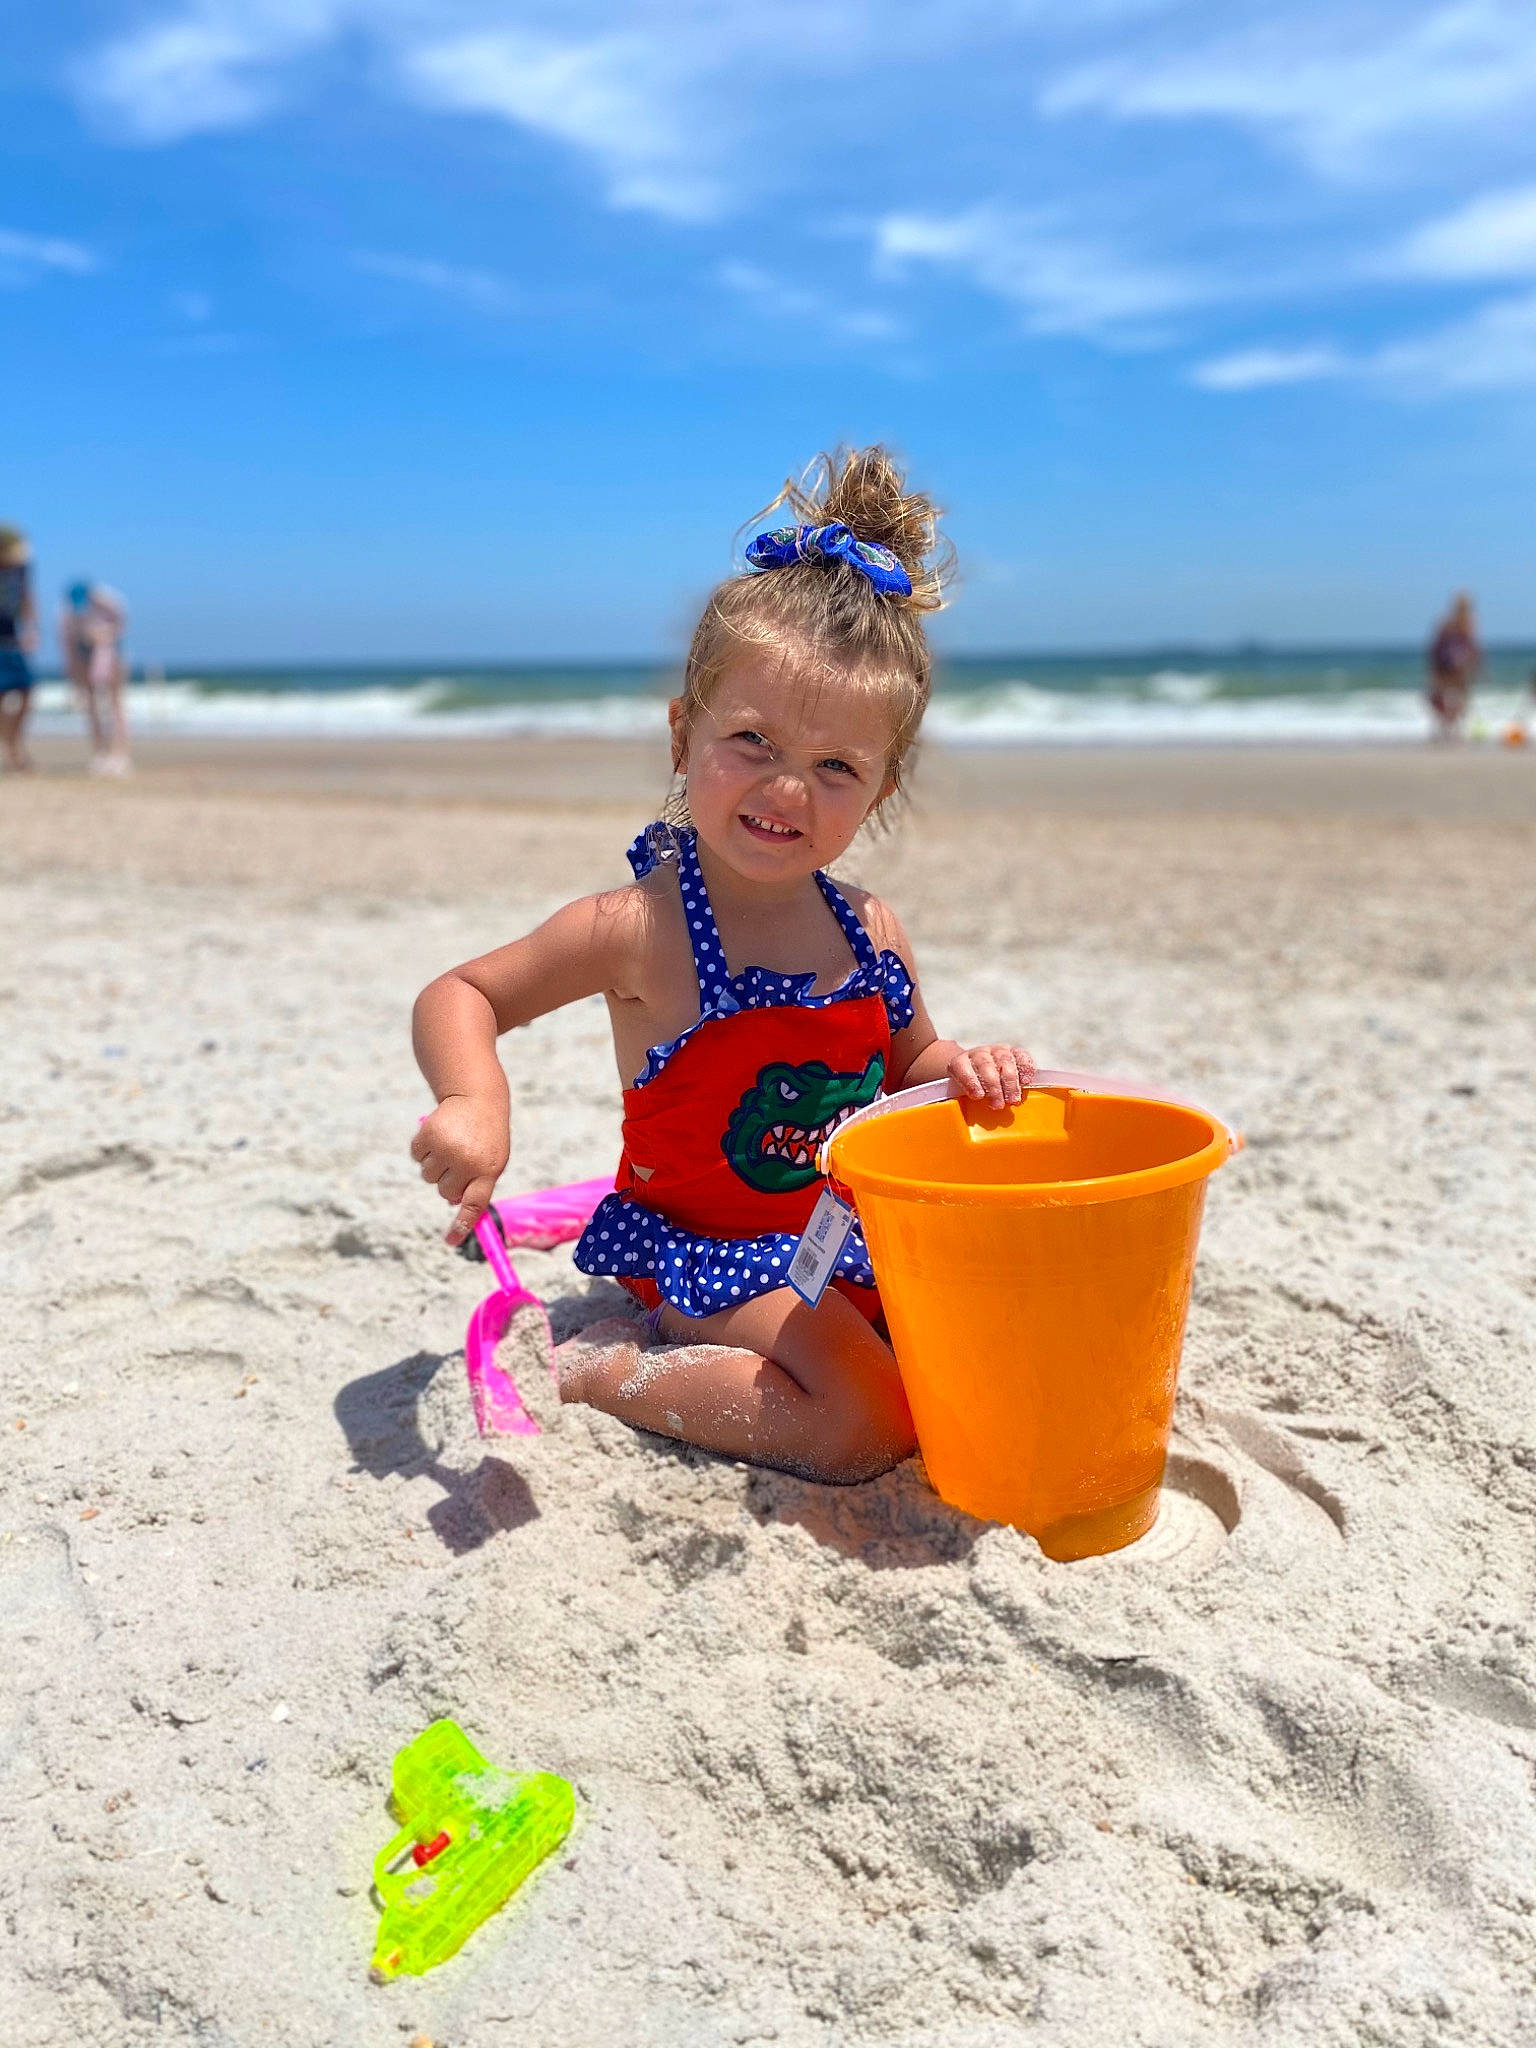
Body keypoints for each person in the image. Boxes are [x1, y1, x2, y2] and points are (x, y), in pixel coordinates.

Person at [411, 446, 1034, 1484]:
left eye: (835, 766)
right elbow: (463, 991)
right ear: (681, 734)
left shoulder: (870, 931)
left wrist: (969, 1070)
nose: (788, 789)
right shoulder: (638, 926)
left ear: (877, 793)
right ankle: (607, 1368)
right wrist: (475, 1100)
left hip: (848, 1243)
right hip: (713, 1252)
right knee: (863, 1425)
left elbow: (910, 1060)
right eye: (752, 740)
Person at [59, 579, 132, 774]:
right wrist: (73, 672)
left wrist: (105, 636)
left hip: (110, 648)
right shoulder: (65, 613)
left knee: (115, 703)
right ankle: (99, 752)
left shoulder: (109, 600)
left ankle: (120, 753)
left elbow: (122, 623)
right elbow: (68, 645)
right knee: (91, 704)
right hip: (83, 651)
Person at [0, 524, 38, 772]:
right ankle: (12, 749)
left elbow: (27, 597)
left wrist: (32, 629)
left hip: (13, 638)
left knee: (27, 690)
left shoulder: (22, 569)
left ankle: (13, 740)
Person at [1426, 593, 1481, 741]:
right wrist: (1433, 668)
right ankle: (1444, 727)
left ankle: (1455, 730)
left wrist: (1476, 665)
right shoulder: (1445, 624)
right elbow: (1436, 647)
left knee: (1462, 700)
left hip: (1459, 669)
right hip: (1443, 667)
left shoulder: (1469, 625)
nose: (1463, 611)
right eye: (1461, 607)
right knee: (1437, 698)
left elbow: (1473, 647)